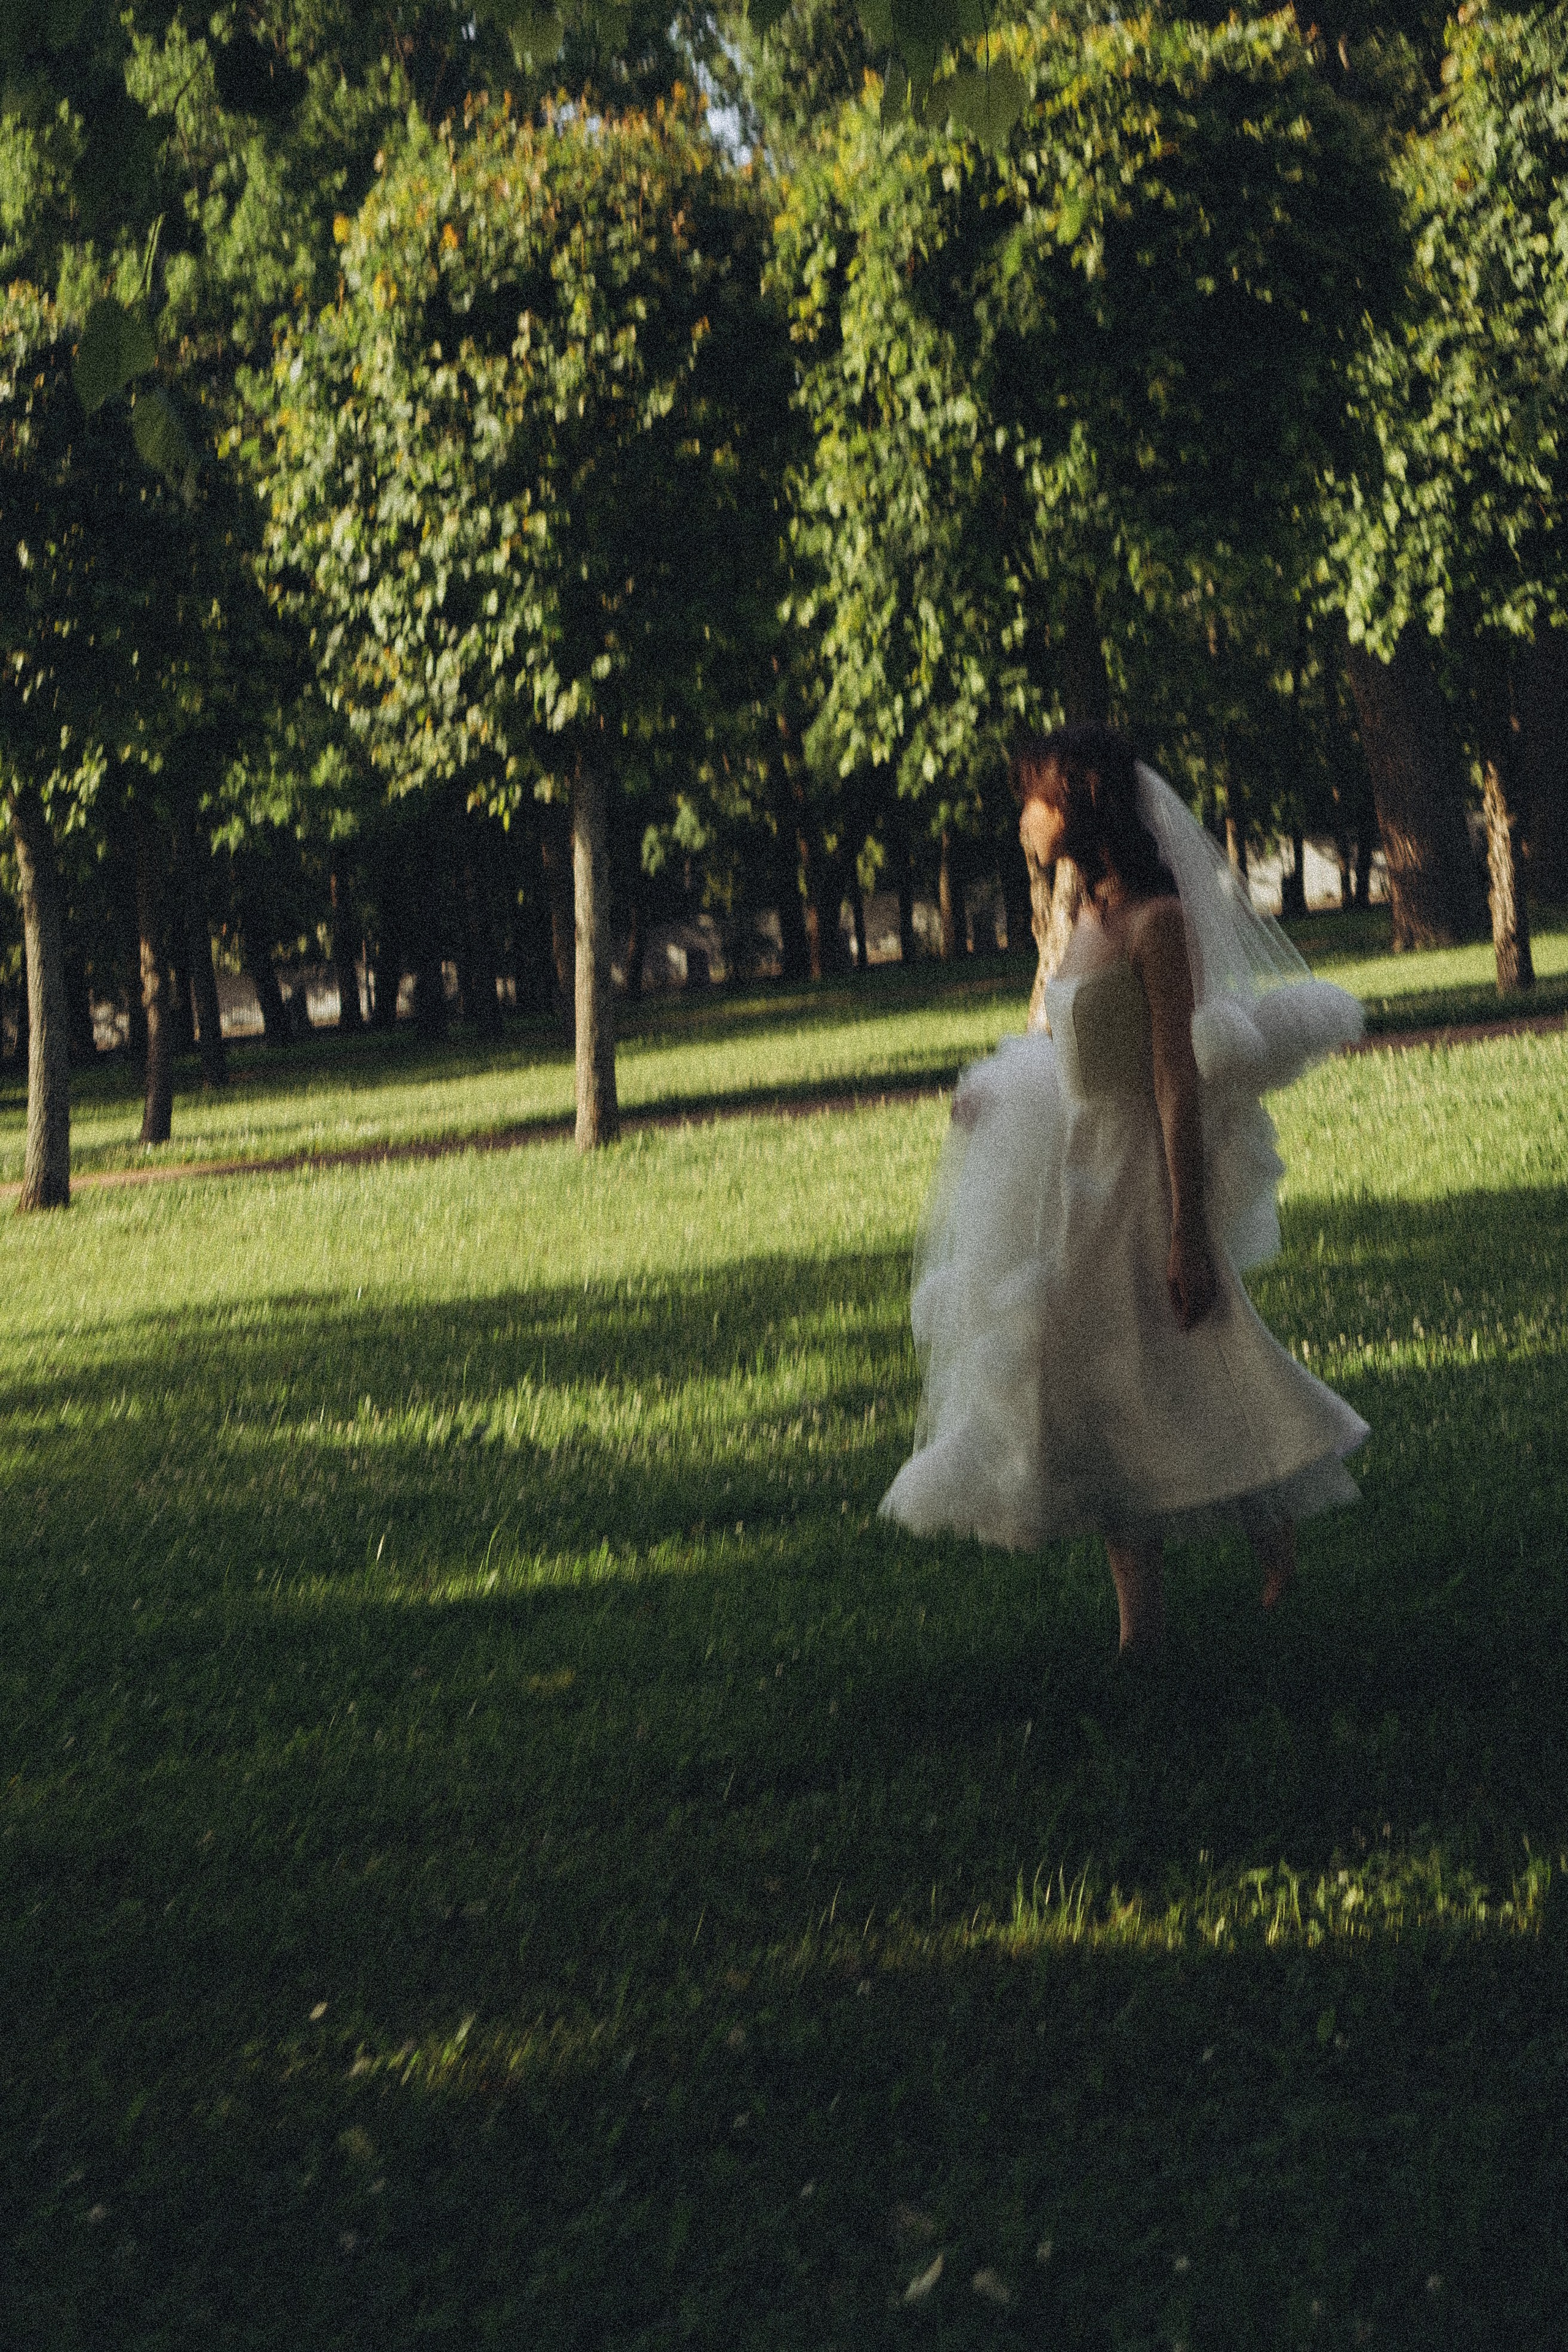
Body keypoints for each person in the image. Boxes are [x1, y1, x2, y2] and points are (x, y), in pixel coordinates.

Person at [879, 726, 1369, 1656]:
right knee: (1087, 1372)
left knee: (1196, 1351)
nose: (1024, 815)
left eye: (1037, 797)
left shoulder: (1160, 924)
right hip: (1072, 1173)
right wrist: (996, 1094)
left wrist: (1189, 1227)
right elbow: (1057, 1044)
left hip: (1138, 1177)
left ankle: (1273, 1524)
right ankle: (1137, 1627)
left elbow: (1176, 1079)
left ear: (1081, 805)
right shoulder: (1078, 922)